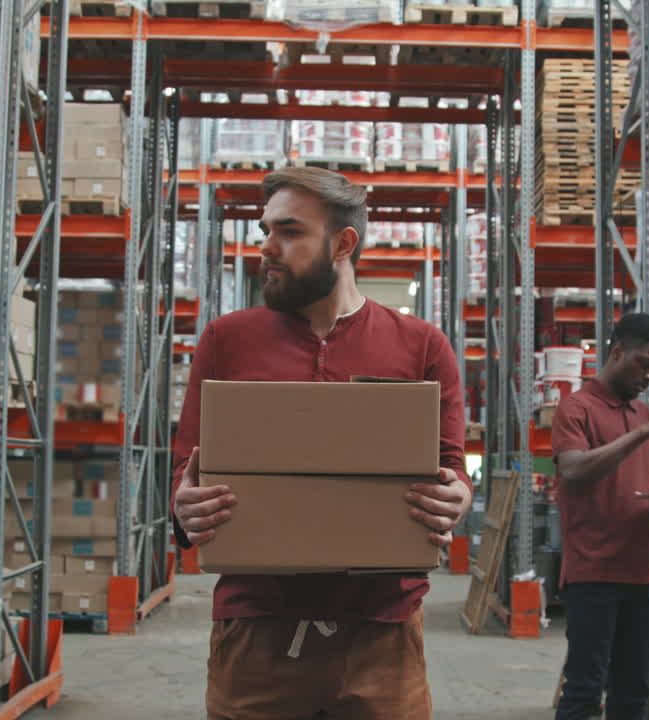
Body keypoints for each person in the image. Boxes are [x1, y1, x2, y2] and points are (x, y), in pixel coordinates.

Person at [170, 167, 472, 720]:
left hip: (382, 633)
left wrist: (458, 497)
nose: (266, 248)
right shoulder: (226, 341)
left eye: (288, 232)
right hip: (256, 630)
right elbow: (185, 469)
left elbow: (451, 466)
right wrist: (183, 506)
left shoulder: (421, 345)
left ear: (343, 243)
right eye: (265, 230)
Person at [551, 312, 649, 720]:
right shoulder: (576, 409)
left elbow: (636, 490)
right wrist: (644, 434)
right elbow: (573, 469)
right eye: (644, 364)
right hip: (593, 573)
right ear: (616, 352)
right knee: (584, 690)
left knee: (633, 693)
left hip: (643, 574)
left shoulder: (641, 414)